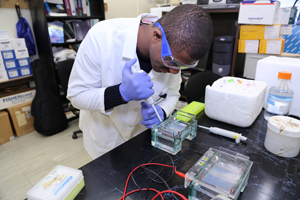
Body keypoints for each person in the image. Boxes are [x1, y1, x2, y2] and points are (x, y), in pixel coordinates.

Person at [67, 4, 213, 159]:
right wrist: (120, 94)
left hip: (142, 140)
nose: (175, 71)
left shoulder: (173, 51)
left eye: (182, 66)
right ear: (156, 36)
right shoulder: (101, 37)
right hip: (105, 140)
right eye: (172, 62)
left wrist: (162, 112)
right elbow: (76, 96)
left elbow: (173, 94)